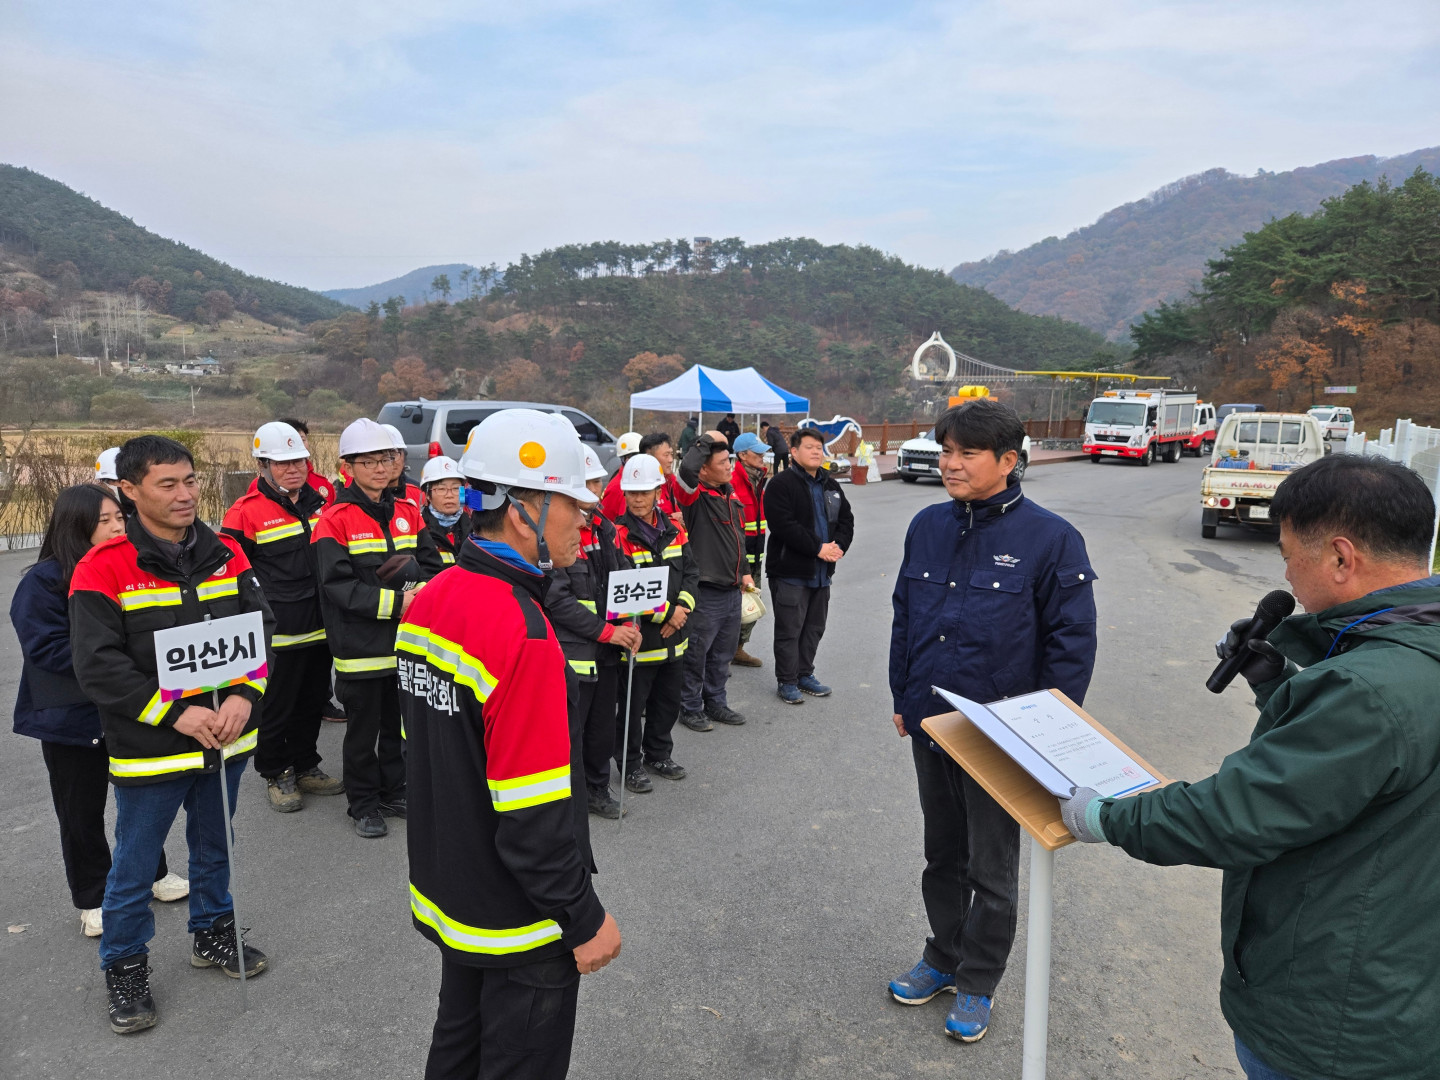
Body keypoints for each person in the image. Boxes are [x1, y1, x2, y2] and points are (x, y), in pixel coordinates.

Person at [1061, 454, 1440, 1080]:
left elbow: (1237, 813)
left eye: (1289, 554)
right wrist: (1283, 683)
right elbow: (1371, 763)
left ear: (1342, 557)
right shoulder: (1407, 649)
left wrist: (1105, 816)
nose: (1285, 572)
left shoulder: (1371, 688)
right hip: (1411, 974)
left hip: (1342, 1022)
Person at [398, 408, 621, 1080]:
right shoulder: (521, 633)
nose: (587, 521)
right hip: (520, 919)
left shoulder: (435, 596)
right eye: (575, 506)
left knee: (458, 1047)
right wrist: (581, 918)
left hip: (453, 890)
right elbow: (533, 811)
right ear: (524, 512)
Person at [887, 399, 1096, 1043]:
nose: (950, 463)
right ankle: (942, 957)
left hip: (1003, 733)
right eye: (945, 450)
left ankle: (979, 981)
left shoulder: (1051, 538)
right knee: (940, 852)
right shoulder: (926, 526)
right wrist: (904, 694)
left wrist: (1045, 732)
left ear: (1008, 461)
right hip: (933, 721)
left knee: (992, 866)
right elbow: (905, 616)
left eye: (965, 453)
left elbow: (1072, 642)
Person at [69, 435, 276, 1035]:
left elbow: (260, 630)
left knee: (217, 845)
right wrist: (173, 713)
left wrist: (245, 695)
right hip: (152, 750)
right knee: (135, 865)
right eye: (168, 484)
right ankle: (125, 968)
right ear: (129, 491)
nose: (185, 494)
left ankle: (212, 932)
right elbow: (98, 665)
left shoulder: (227, 553)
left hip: (228, 739)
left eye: (189, 480)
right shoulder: (101, 568)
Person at [9, 484, 188, 941]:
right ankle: (91, 897)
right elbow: (46, 649)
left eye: (119, 518)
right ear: (76, 525)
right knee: (81, 811)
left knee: (142, 800)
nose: (115, 527)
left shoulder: (133, 568)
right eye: (103, 520)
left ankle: (154, 872)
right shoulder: (44, 581)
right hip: (72, 719)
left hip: (130, 708)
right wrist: (117, 665)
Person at [313, 418, 444, 838]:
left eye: (385, 458)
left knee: (398, 725)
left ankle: (393, 789)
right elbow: (336, 586)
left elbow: (431, 562)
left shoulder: (408, 510)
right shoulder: (334, 519)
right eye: (367, 461)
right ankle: (363, 803)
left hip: (405, 642)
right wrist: (398, 602)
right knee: (362, 731)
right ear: (348, 466)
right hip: (360, 645)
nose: (379, 468)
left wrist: (423, 587)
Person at [221, 422, 344, 813]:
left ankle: (306, 763)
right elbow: (231, 579)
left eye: (299, 461)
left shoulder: (324, 502)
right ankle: (276, 770)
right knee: (277, 704)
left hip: (322, 624)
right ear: (262, 466)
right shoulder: (245, 513)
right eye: (282, 463)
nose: (293, 469)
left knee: (312, 700)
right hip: (278, 630)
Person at [543, 446, 642, 819]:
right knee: (568, 732)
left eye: (598, 480)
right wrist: (606, 632)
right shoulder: (555, 531)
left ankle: (597, 788)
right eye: (586, 482)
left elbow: (628, 583)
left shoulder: (607, 527)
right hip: (573, 653)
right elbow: (557, 600)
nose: (594, 489)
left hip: (608, 650)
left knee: (602, 728)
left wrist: (631, 625)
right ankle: (565, 797)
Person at [611, 453, 698, 796]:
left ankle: (659, 755)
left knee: (667, 703)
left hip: (675, 639)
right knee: (632, 708)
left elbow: (691, 573)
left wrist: (682, 608)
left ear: (658, 491)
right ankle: (631, 764)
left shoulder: (675, 530)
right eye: (631, 492)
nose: (637, 498)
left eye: (644, 491)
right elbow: (623, 587)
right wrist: (667, 614)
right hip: (640, 640)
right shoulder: (617, 534)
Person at [765, 427, 855, 703]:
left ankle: (805, 674)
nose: (817, 451)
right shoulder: (781, 484)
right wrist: (818, 548)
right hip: (790, 571)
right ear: (793, 452)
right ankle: (787, 680)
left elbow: (846, 520)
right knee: (789, 629)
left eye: (819, 447)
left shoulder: (830, 484)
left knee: (814, 628)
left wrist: (836, 547)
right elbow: (783, 525)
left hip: (822, 573)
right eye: (810, 447)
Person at [672, 431, 750, 731]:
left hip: (732, 589)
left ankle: (716, 702)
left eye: (729, 460)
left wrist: (743, 571)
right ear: (705, 469)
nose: (730, 466)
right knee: (696, 654)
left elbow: (737, 538)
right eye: (722, 461)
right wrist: (704, 440)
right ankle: (690, 707)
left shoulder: (729, 493)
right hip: (706, 592)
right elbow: (686, 470)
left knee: (722, 655)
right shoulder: (695, 496)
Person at [729, 432, 770, 667]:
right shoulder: (732, 481)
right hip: (737, 558)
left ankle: (738, 649)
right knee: (731, 608)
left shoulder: (759, 479)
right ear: (743, 456)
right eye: (758, 453)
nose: (762, 457)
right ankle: (721, 655)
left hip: (757, 554)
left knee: (752, 606)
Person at [599, 433, 677, 521]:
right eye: (666, 455)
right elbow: (632, 524)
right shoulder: (620, 487)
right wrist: (670, 520)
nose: (670, 460)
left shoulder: (664, 480)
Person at [419, 456, 472, 565]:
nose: (449, 495)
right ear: (428, 495)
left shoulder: (475, 528)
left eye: (456, 488)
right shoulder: (420, 528)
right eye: (441, 489)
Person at [382, 422, 427, 507]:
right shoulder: (364, 496)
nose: (391, 461)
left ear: (404, 457)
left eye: (394, 453)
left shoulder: (418, 492)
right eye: (384, 456)